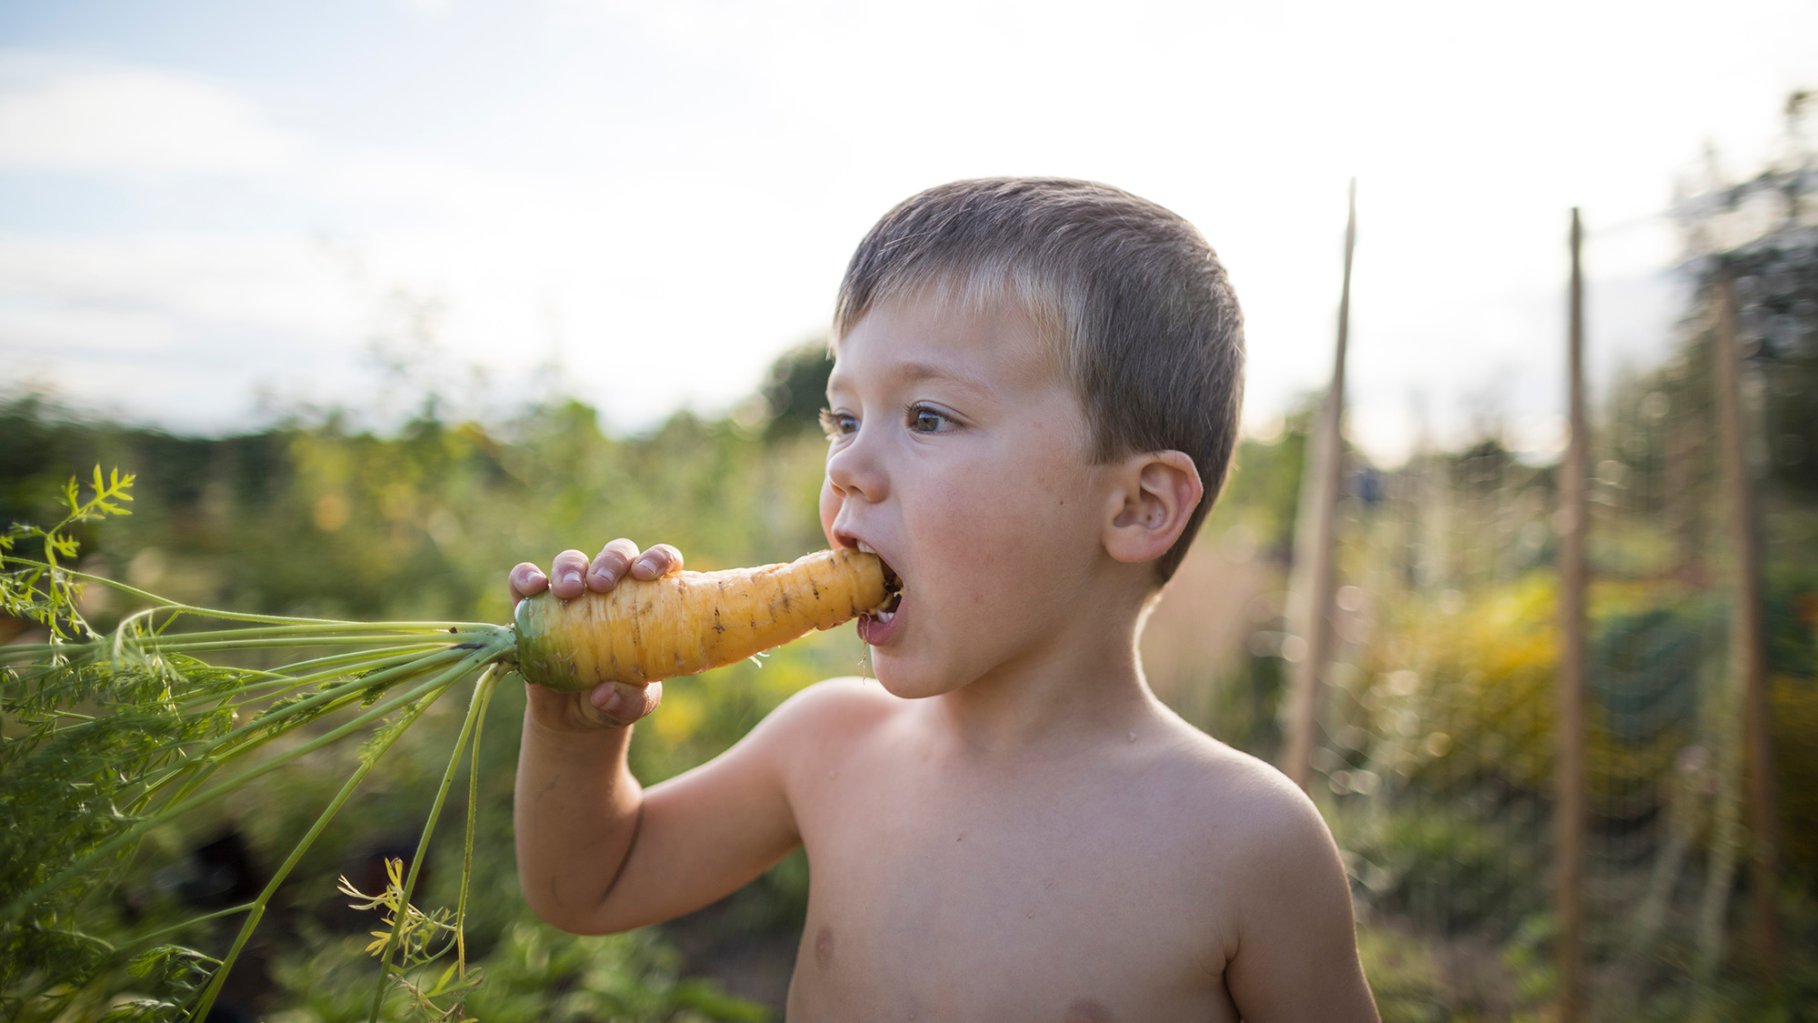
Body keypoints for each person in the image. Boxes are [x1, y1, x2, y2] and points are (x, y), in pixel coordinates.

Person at [511, 177, 1379, 1021]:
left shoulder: (1247, 841)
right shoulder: (826, 746)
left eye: (927, 417)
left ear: (1136, 505)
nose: (846, 467)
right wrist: (574, 728)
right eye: (843, 419)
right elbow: (592, 882)